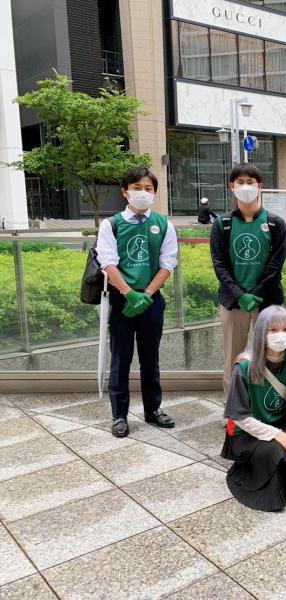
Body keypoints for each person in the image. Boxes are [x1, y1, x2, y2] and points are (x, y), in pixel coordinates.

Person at [97, 167, 177, 437]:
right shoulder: (112, 224)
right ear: (125, 191)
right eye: (137, 187)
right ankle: (119, 415)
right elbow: (107, 262)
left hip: (151, 299)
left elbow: (168, 263)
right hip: (122, 300)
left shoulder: (164, 224)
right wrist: (129, 293)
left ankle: (153, 409)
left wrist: (146, 294)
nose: (143, 193)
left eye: (148, 189)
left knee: (150, 357)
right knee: (121, 357)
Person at [221, 305, 286, 511]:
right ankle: (245, 471)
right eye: (272, 330)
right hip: (245, 433)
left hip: (276, 422)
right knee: (277, 452)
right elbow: (239, 417)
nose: (280, 336)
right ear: (261, 333)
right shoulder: (244, 367)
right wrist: (277, 435)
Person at [211, 164, 286, 399]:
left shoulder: (275, 223)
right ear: (231, 187)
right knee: (233, 356)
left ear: (260, 187)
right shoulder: (222, 223)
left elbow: (276, 263)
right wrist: (239, 294)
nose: (246, 187)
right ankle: (233, 407)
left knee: (273, 352)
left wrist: (255, 293)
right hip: (234, 304)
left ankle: (270, 402)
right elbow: (219, 263)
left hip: (267, 301)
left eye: (251, 182)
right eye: (240, 182)